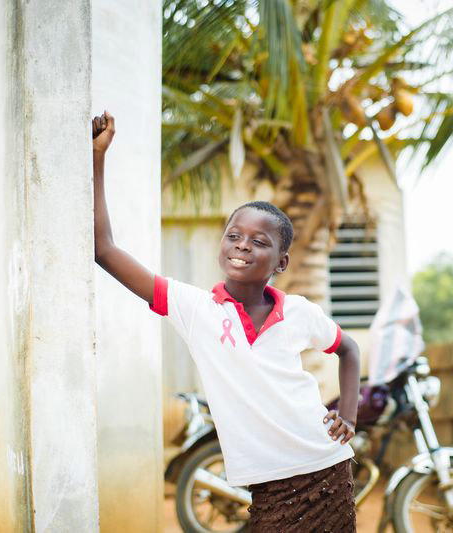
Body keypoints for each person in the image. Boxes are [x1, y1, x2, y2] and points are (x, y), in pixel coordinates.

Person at [92, 111, 359, 532]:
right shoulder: (195, 308)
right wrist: (97, 158)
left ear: (282, 261)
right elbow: (104, 250)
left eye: (259, 242)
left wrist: (348, 413)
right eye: (234, 235)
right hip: (267, 486)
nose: (242, 246)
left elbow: (348, 348)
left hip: (326, 467)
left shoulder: (300, 312)